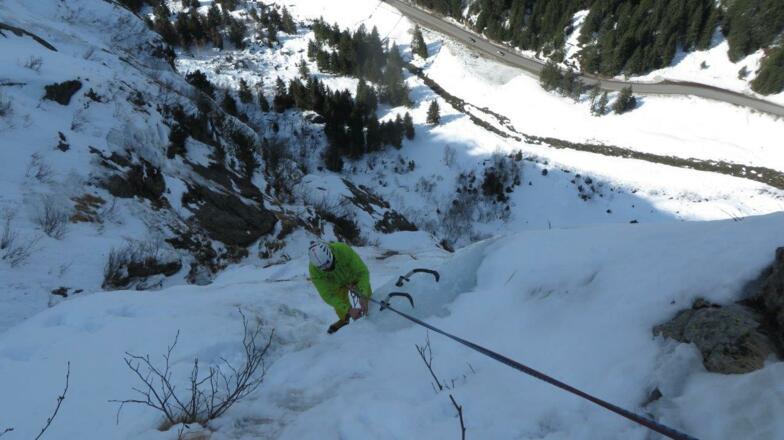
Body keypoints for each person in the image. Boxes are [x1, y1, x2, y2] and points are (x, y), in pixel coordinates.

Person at [308, 240, 373, 334]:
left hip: (354, 277)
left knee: (367, 297)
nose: (327, 269)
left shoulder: (342, 250)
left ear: (330, 253)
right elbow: (327, 295)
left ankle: (371, 314)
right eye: (323, 268)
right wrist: (349, 310)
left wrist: (363, 294)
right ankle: (344, 319)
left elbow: (363, 272)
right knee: (339, 303)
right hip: (336, 285)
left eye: (328, 264)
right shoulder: (314, 270)